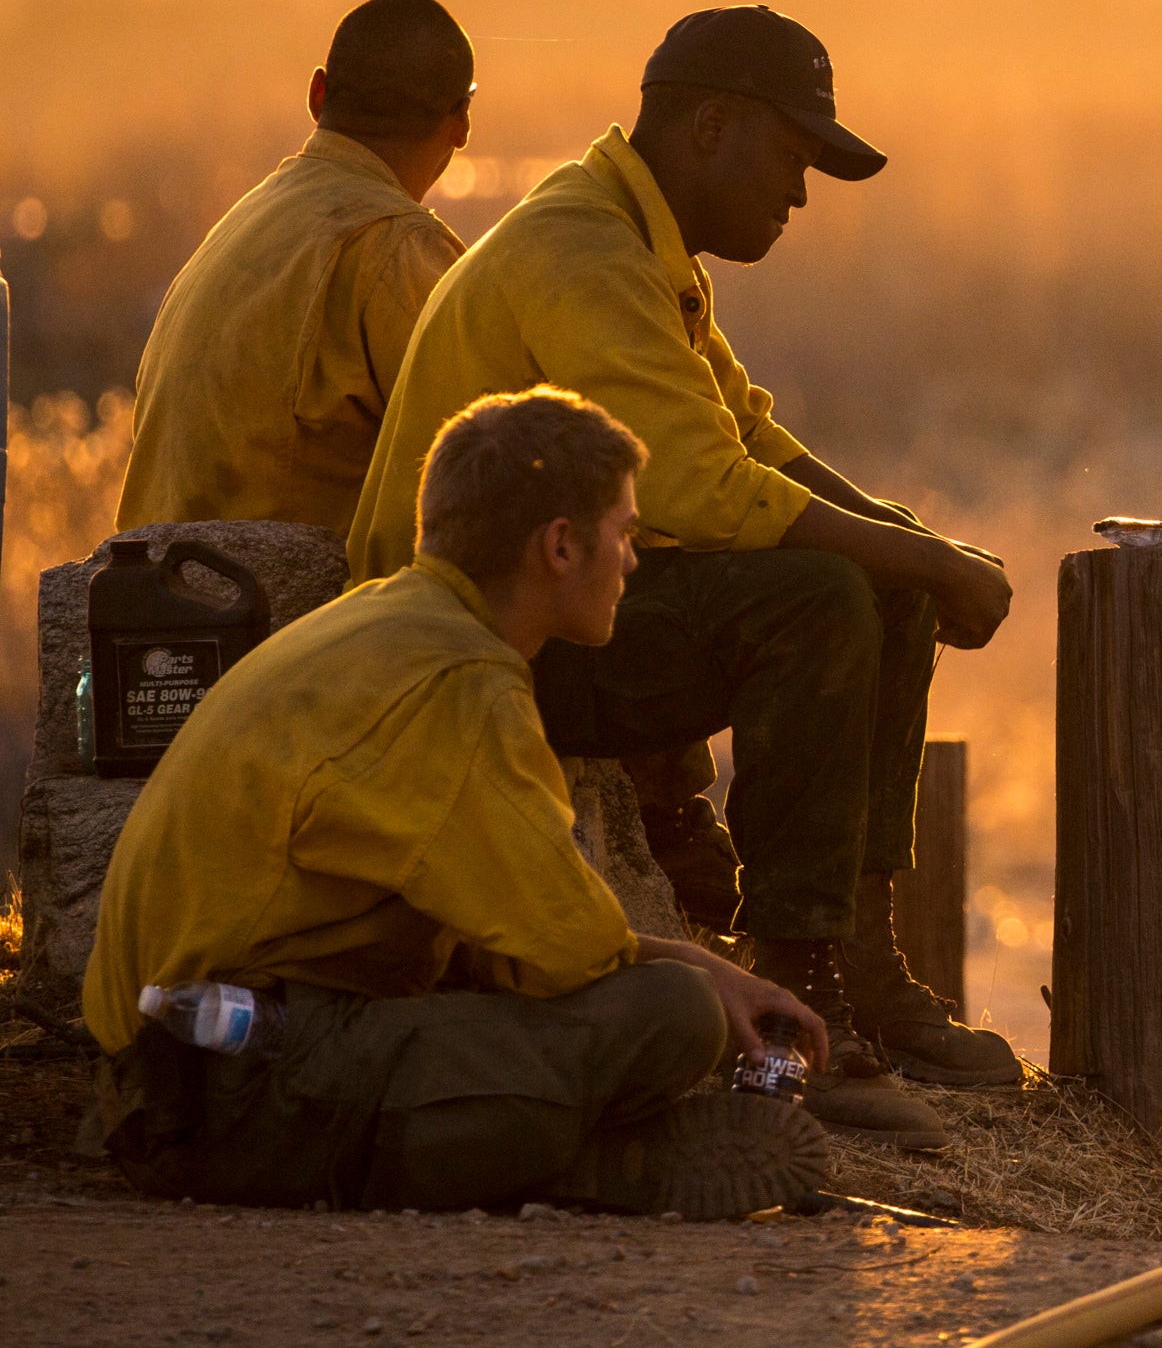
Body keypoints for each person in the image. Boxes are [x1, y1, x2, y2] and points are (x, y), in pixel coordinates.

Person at [347, 4, 1018, 1148]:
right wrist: (917, 556)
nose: (799, 197)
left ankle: (862, 958)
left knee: (881, 573)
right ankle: (801, 984)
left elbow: (743, 434)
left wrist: (923, 551)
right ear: (712, 127)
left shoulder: (633, 239)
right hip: (475, 655)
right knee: (819, 598)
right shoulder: (584, 254)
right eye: (793, 161)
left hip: (556, 613)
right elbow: (703, 488)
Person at [84, 386, 831, 1218]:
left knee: (660, 997)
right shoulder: (462, 685)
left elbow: (513, 937)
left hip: (176, 1073)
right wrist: (706, 981)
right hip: (230, 1094)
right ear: (559, 546)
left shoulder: (387, 619)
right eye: (623, 532)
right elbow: (571, 955)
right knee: (672, 1016)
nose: (631, 560)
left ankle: (572, 1147)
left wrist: (713, 965)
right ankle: (601, 1167)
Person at [115, 0, 475, 533]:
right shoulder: (397, 249)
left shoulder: (239, 227)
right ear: (461, 124)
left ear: (317, 93)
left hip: (154, 602)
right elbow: (492, 468)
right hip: (276, 611)